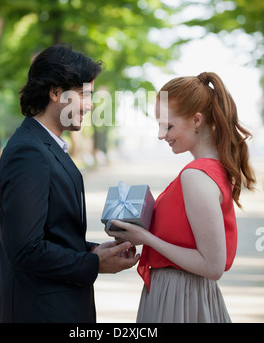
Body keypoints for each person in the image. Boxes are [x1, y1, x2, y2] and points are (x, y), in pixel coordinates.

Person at [0, 43, 139, 323]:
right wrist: (94, 264)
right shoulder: (29, 151)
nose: (91, 104)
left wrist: (93, 250)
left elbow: (53, 235)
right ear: (56, 92)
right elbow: (25, 249)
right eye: (85, 95)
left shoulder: (45, 146)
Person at [107, 72, 256, 323]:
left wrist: (145, 238)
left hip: (180, 297)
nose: (160, 134)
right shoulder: (211, 170)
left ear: (196, 120)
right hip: (187, 294)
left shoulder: (196, 176)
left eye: (168, 125)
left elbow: (212, 266)